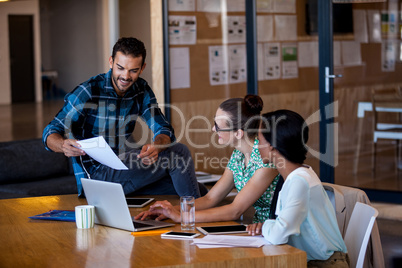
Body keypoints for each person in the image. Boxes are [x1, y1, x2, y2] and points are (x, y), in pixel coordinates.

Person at [43, 37, 203, 198]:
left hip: (124, 169)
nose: (126, 76)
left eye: (133, 70)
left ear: (142, 68)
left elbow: (163, 129)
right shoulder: (88, 91)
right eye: (120, 68)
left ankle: (194, 213)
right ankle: (195, 218)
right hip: (96, 179)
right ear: (111, 62)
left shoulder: (141, 90)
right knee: (179, 153)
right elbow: (50, 131)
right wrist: (62, 144)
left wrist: (158, 145)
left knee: (197, 189)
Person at [136, 95, 282, 223]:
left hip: (279, 234)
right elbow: (210, 198)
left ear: (238, 133)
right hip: (261, 229)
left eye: (218, 127)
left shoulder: (266, 158)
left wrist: (182, 217)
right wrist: (169, 210)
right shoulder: (238, 154)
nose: (213, 129)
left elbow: (235, 210)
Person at [247, 109, 349, 267]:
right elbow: (281, 228)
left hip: (325, 264)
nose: (256, 146)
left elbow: (278, 235)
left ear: (273, 146)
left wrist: (266, 225)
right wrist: (270, 227)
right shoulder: (296, 176)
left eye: (259, 140)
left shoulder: (299, 182)